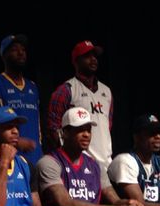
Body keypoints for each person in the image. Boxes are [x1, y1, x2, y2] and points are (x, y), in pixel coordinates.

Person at [0, 34, 43, 165]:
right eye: (14, 50)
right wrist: (17, 141)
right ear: (4, 55)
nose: (20, 53)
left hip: (35, 156)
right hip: (7, 158)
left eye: (23, 50)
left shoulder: (33, 87)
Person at [48, 40, 113, 168]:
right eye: (87, 56)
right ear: (76, 61)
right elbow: (53, 127)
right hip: (79, 163)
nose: (93, 59)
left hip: (106, 162)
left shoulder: (107, 91)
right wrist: (68, 156)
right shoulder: (66, 89)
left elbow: (107, 126)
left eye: (95, 56)